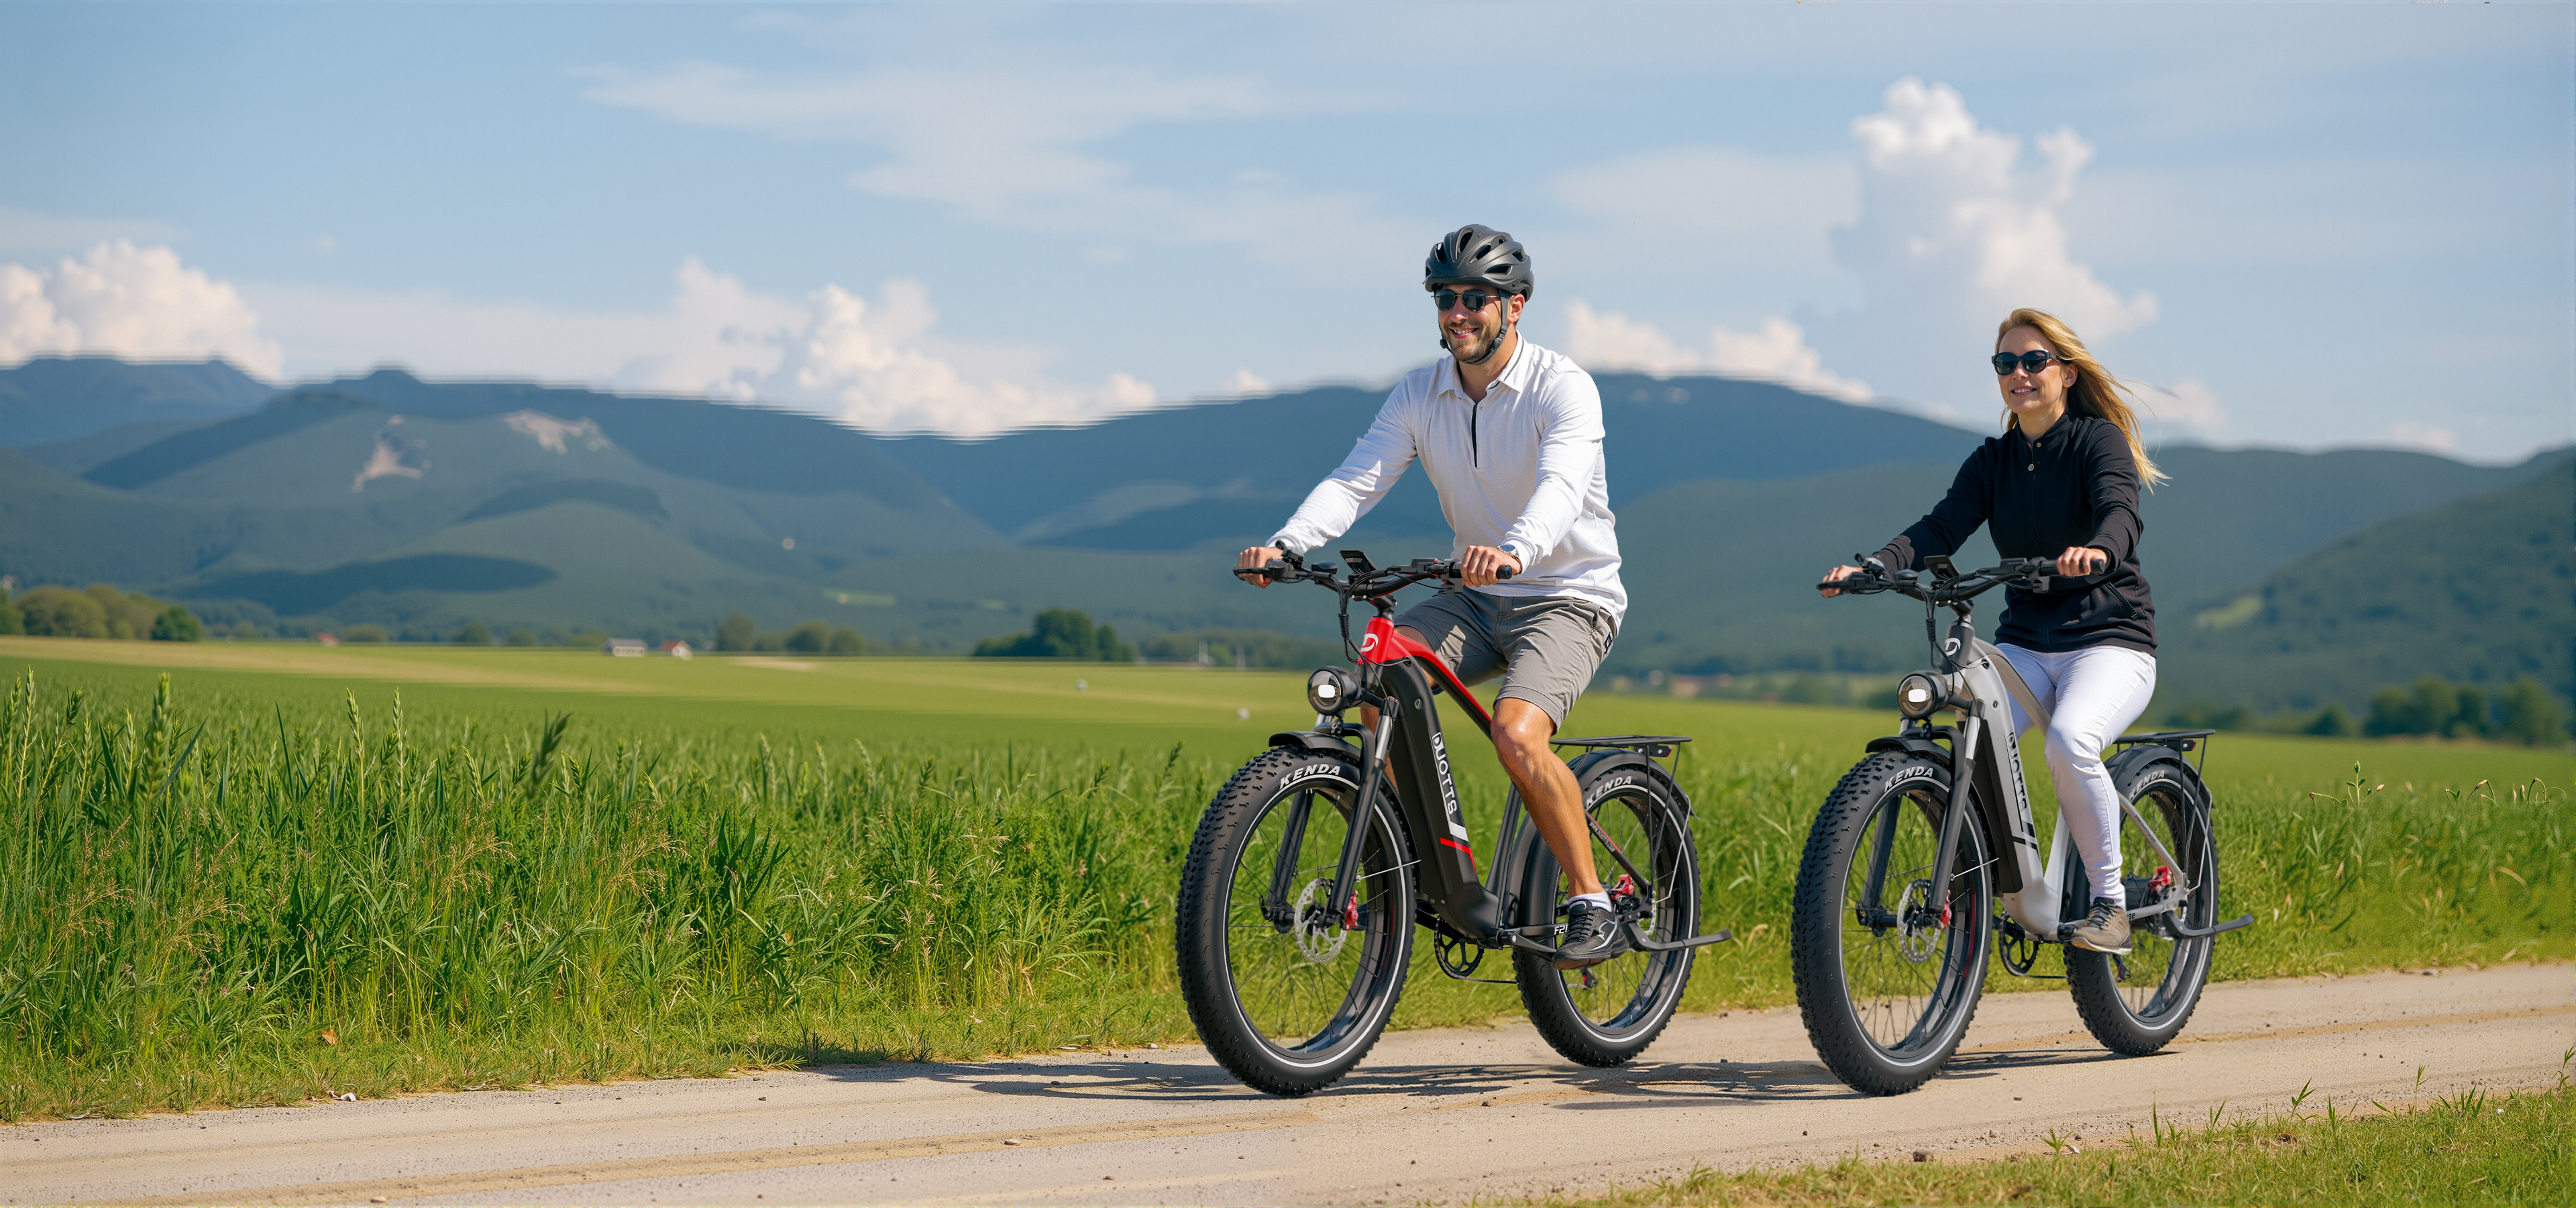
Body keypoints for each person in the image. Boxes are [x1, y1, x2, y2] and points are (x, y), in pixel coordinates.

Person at [1235, 224, 1630, 969]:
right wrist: (1289, 544)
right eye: (1445, 298)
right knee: (1378, 679)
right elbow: (1357, 480)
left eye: (1476, 299)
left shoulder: (1562, 387)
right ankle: (1410, 864)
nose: (1458, 313)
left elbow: (1560, 488)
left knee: (1517, 735)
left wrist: (1515, 550)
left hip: (1566, 596)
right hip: (1475, 596)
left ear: (1515, 306)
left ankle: (1591, 901)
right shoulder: (1422, 393)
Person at [1820, 308, 2164, 956]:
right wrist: (1878, 566)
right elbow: (1941, 527)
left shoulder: (2098, 441)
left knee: (2070, 741)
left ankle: (2110, 904)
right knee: (1967, 739)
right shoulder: (1993, 460)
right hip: (2026, 645)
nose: (2019, 374)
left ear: (2065, 373)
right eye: (2006, 363)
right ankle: (1979, 888)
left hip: (2110, 641)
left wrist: (2098, 550)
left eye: (2034, 361)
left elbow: (2120, 511)